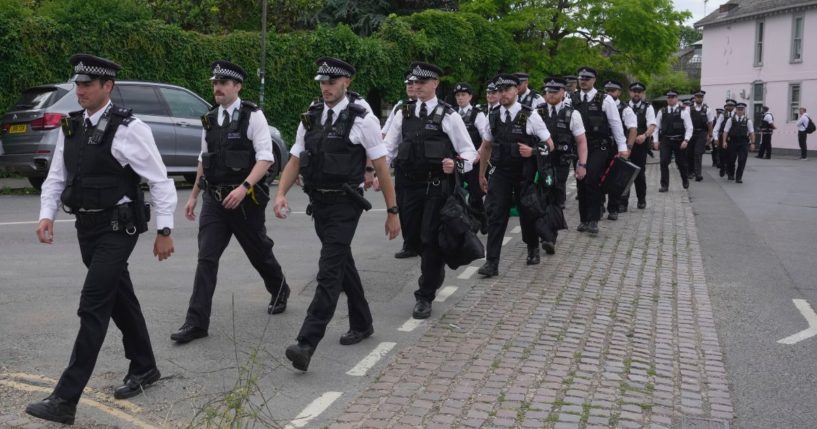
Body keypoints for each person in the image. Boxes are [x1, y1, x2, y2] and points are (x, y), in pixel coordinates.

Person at [26, 54, 177, 424]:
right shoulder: (72, 127)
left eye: (87, 85)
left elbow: (159, 180)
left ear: (107, 86)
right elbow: (57, 177)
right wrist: (47, 214)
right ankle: (144, 366)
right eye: (77, 84)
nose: (80, 91)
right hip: (87, 228)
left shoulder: (129, 128)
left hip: (118, 228)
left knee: (93, 306)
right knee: (119, 297)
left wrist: (164, 230)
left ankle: (65, 399)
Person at [274, 57, 400, 371]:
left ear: (347, 82)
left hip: (346, 204)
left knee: (329, 271)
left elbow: (382, 168)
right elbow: (294, 159)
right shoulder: (311, 116)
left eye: (332, 82)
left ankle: (306, 342)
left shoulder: (362, 119)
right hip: (319, 203)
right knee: (341, 261)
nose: (326, 87)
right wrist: (279, 195)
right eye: (322, 81)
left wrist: (393, 211)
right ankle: (362, 321)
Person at [171, 60, 289, 344]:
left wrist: (244, 187)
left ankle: (280, 288)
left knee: (257, 250)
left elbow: (266, 158)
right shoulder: (209, 118)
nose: (217, 88)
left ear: (237, 86)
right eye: (215, 83)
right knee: (206, 258)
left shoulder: (253, 116)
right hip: (214, 200)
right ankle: (196, 322)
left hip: (245, 200)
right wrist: (194, 195)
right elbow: (204, 159)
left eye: (223, 83)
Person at [383, 61, 478, 319]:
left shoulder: (448, 115)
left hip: (436, 188)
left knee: (430, 240)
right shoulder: (403, 112)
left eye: (423, 83)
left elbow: (470, 152)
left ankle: (425, 295)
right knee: (413, 239)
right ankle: (435, 270)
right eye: (414, 83)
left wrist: (456, 164)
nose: (418, 87)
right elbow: (388, 149)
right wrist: (372, 171)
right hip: (408, 187)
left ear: (435, 84)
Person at [477, 73, 555, 275]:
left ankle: (532, 248)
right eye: (499, 91)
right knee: (496, 215)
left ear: (516, 90)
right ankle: (492, 262)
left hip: (524, 173)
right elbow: (486, 147)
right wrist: (481, 174)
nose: (502, 94)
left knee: (527, 212)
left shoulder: (530, 115)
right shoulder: (492, 116)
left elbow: (550, 145)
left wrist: (533, 151)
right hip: (501, 173)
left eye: (506, 90)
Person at [569, 67, 627, 235]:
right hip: (579, 146)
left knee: (592, 177)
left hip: (598, 146)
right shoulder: (572, 99)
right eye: (581, 78)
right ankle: (584, 219)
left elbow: (615, 123)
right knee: (581, 180)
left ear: (594, 80)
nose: (584, 81)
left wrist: (622, 147)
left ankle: (594, 219)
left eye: (587, 78)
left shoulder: (605, 99)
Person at [538, 77, 588, 252]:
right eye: (548, 91)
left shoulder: (572, 114)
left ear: (562, 93)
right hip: (539, 161)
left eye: (555, 91)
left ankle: (550, 237)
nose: (551, 95)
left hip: (560, 162)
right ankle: (542, 232)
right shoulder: (536, 112)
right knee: (539, 198)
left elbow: (581, 141)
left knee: (555, 197)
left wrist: (582, 165)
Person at [383, 75, 420, 259]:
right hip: (404, 166)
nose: (412, 87)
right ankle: (410, 243)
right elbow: (387, 135)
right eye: (409, 84)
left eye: (416, 83)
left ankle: (424, 240)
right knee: (404, 206)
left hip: (426, 169)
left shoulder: (436, 109)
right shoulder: (400, 108)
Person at [453, 82, 490, 233]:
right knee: (459, 192)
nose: (460, 98)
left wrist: (478, 155)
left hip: (474, 161)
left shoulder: (477, 114)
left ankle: (482, 219)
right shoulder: (453, 113)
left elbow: (485, 138)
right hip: (458, 160)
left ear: (470, 96)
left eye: (463, 95)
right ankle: (471, 223)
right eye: (457, 96)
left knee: (475, 194)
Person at [603, 80, 637, 220]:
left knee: (616, 178)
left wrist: (628, 148)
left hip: (618, 146)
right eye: (608, 90)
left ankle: (613, 208)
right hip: (603, 145)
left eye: (613, 90)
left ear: (619, 92)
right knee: (599, 176)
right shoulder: (601, 104)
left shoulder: (625, 109)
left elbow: (633, 130)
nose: (610, 93)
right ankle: (599, 206)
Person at [623, 82, 656, 210]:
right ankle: (623, 202)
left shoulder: (648, 107)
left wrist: (645, 135)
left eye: (639, 91)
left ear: (642, 93)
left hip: (640, 145)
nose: (636, 93)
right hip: (625, 144)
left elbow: (652, 125)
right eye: (634, 91)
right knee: (624, 172)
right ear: (630, 92)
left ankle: (641, 199)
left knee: (639, 173)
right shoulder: (624, 106)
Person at [653, 89, 692, 192]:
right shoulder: (662, 111)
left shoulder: (683, 111)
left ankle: (685, 179)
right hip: (666, 140)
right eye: (669, 97)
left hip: (679, 140)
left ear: (676, 98)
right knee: (663, 162)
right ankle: (664, 185)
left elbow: (689, 127)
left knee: (681, 163)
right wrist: (655, 141)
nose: (670, 99)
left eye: (673, 97)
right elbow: (656, 127)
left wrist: (686, 140)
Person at [722, 102, 754, 183]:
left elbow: (751, 132)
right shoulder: (731, 120)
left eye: (741, 109)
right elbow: (725, 131)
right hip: (732, 141)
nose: (740, 111)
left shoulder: (748, 121)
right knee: (731, 159)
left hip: (743, 142)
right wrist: (724, 141)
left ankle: (739, 177)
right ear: (736, 110)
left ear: (744, 111)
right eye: (738, 109)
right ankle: (731, 174)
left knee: (742, 160)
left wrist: (752, 143)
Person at [687, 90, 715, 182]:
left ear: (703, 98)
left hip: (702, 133)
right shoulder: (689, 108)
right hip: (691, 133)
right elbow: (685, 122)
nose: (699, 98)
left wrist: (710, 135)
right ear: (695, 98)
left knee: (698, 153)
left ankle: (698, 174)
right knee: (690, 153)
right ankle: (690, 172)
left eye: (701, 97)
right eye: (697, 97)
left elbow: (710, 123)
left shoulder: (707, 109)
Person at [713, 99, 737, 177]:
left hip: (733, 138)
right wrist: (715, 138)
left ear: (734, 107)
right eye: (728, 106)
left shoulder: (736, 115)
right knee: (722, 155)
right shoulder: (723, 115)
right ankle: (722, 167)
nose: (729, 107)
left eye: (731, 106)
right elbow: (717, 127)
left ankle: (729, 171)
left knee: (731, 155)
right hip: (722, 137)